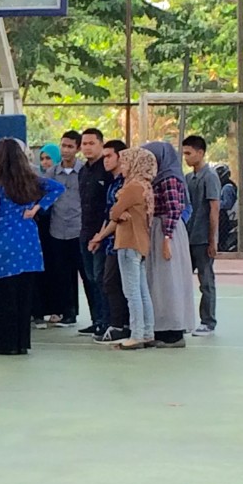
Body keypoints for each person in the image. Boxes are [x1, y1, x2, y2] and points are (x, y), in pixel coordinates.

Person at [0, 138, 65, 356]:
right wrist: (37, 207)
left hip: (3, 242)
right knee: (24, 293)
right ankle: (21, 343)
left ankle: (4, 342)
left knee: (3, 293)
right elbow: (58, 188)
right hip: (27, 240)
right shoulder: (31, 178)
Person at [90, 147, 156, 350]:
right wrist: (120, 213)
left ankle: (136, 335)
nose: (123, 167)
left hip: (128, 242)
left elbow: (114, 211)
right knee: (142, 290)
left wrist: (118, 213)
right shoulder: (145, 186)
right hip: (141, 243)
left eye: (126, 162)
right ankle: (147, 332)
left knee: (132, 291)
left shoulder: (131, 187)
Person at [143, 141, 196, 348]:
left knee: (169, 280)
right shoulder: (155, 178)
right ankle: (161, 328)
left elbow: (174, 210)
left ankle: (173, 333)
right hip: (158, 230)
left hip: (167, 231)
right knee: (158, 280)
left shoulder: (170, 178)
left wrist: (166, 238)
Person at [42, 132, 85, 329]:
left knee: (87, 275)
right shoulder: (51, 173)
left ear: (77, 149)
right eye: (63, 146)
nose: (66, 150)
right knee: (62, 274)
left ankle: (98, 318)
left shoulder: (84, 171)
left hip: (79, 230)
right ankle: (67, 313)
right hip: (57, 230)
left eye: (70, 146)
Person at [183, 135, 221, 337]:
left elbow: (214, 208)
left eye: (189, 153)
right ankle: (182, 319)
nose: (186, 158)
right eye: (184, 154)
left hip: (203, 238)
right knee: (181, 280)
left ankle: (208, 321)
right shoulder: (188, 178)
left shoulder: (210, 176)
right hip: (187, 237)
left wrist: (212, 239)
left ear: (200, 153)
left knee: (205, 281)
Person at [77, 128, 112, 336]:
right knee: (89, 278)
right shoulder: (83, 171)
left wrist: (101, 235)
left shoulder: (106, 171)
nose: (87, 147)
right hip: (85, 232)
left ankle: (107, 322)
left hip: (103, 235)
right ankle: (96, 319)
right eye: (84, 144)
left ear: (101, 144)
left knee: (101, 278)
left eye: (92, 143)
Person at [96, 139, 131, 344]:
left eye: (109, 156)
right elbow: (109, 215)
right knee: (109, 281)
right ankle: (116, 322)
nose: (105, 160)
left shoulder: (127, 184)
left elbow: (118, 215)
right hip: (111, 242)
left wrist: (101, 235)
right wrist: (100, 236)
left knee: (115, 282)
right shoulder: (112, 183)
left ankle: (121, 325)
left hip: (124, 241)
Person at [31, 144, 60, 328]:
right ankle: (38, 311)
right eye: (42, 158)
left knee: (54, 271)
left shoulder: (56, 179)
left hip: (56, 231)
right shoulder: (34, 180)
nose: (45, 162)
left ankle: (57, 309)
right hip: (37, 231)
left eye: (48, 158)